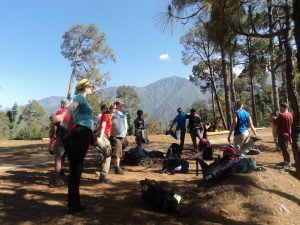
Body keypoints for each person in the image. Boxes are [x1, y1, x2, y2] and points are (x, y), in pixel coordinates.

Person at [52, 78, 94, 213]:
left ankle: (74, 204)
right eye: (90, 86)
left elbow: (71, 120)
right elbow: (72, 106)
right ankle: (74, 205)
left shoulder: (83, 99)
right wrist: (62, 115)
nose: (92, 88)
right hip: (82, 132)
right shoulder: (80, 97)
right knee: (76, 169)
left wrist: (69, 132)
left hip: (80, 132)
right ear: (85, 87)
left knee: (76, 168)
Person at [52, 99, 75, 186]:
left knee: (58, 158)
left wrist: (53, 135)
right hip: (71, 137)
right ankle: (69, 176)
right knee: (69, 157)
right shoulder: (73, 113)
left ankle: (57, 179)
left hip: (61, 137)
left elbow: (55, 125)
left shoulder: (60, 112)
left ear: (62, 104)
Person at [96, 105, 115, 182]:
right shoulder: (106, 116)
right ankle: (103, 176)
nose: (115, 110)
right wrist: (100, 138)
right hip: (103, 136)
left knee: (105, 155)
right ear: (109, 109)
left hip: (105, 136)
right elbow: (102, 126)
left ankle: (102, 175)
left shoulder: (109, 116)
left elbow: (106, 127)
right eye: (113, 108)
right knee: (108, 155)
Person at [110, 100, 128, 175]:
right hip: (115, 136)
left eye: (123, 105)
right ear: (116, 105)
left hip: (123, 136)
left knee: (123, 146)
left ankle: (112, 159)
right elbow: (107, 118)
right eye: (121, 105)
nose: (123, 106)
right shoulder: (113, 113)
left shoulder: (123, 114)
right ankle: (117, 168)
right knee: (117, 151)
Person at [273, 103, 293, 168]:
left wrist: (274, 118)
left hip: (282, 134)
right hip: (288, 134)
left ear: (283, 108)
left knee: (284, 149)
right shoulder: (290, 114)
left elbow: (276, 123)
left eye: (281, 108)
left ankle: (288, 163)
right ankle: (286, 161)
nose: (280, 109)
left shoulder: (281, 115)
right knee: (284, 148)